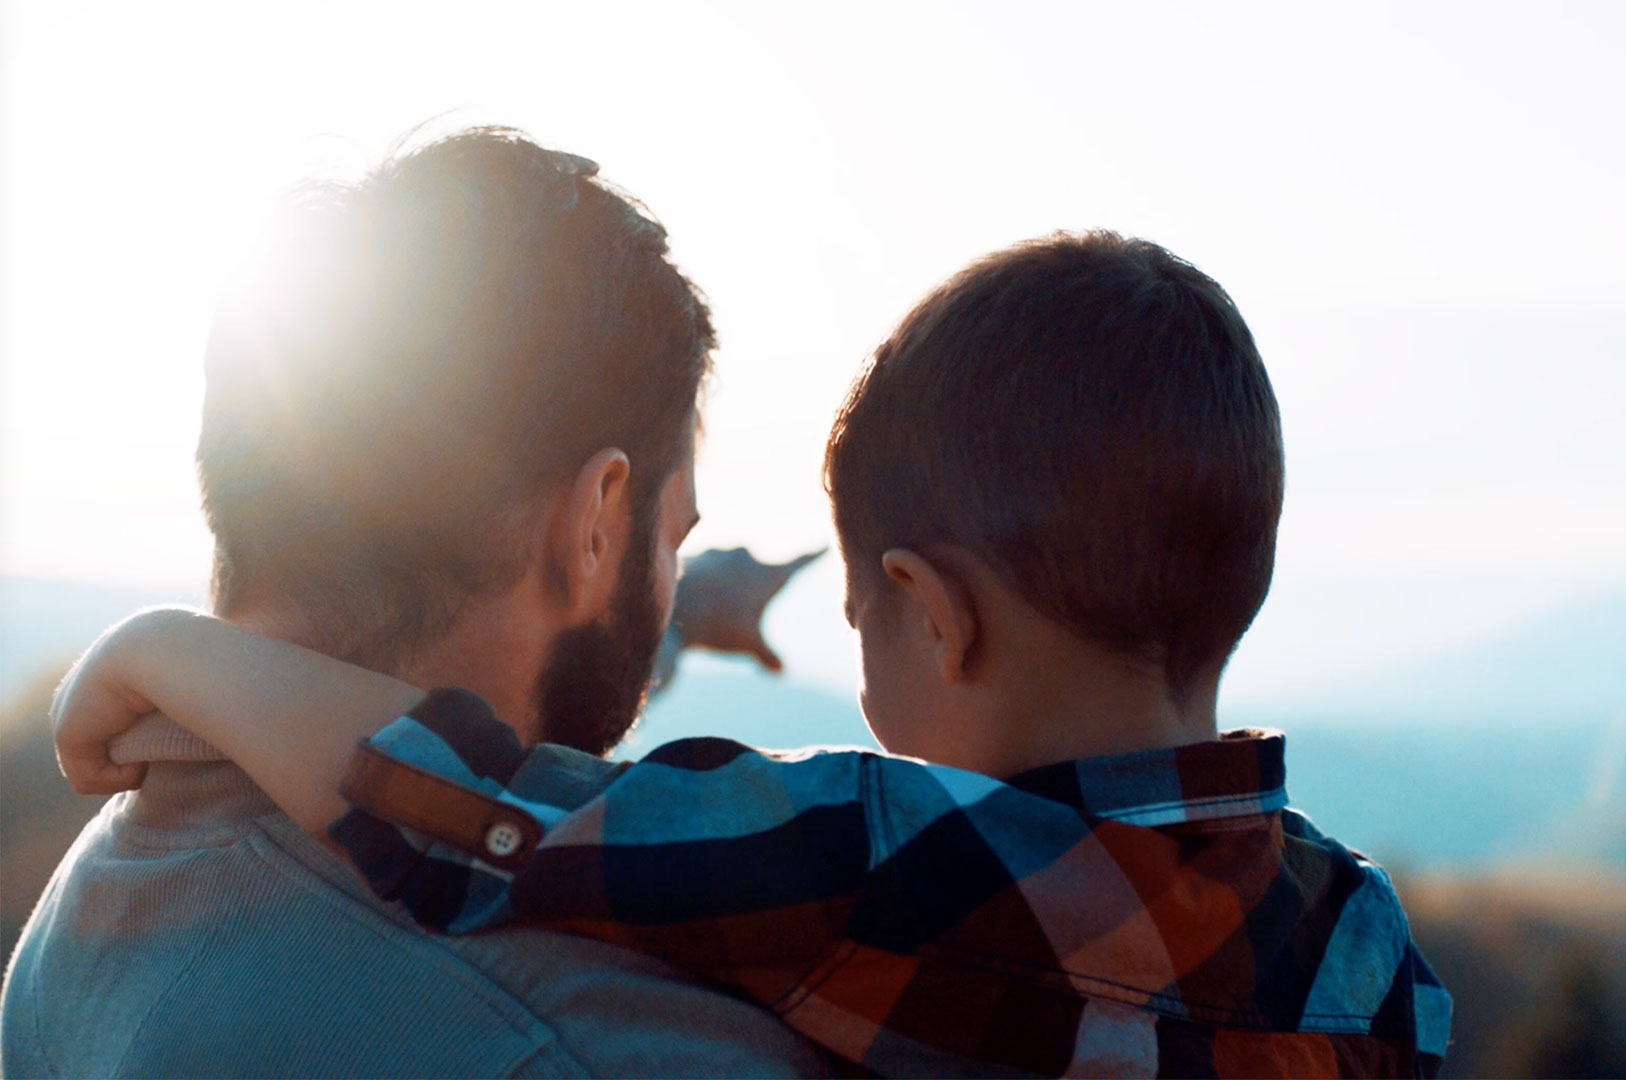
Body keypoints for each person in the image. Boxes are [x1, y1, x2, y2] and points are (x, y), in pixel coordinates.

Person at [52, 234, 1452, 1077]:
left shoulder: (884, 859)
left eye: (860, 621)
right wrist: (696, 606)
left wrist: (185, 660)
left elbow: (491, 817)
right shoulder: (1374, 949)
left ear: (934, 612)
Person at [0, 128, 838, 1078]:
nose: (670, 581)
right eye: (672, 536)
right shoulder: (593, 1046)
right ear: (597, 522)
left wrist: (691, 606)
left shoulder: (86, 917)